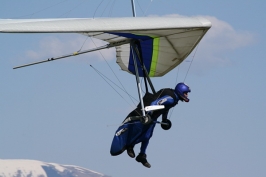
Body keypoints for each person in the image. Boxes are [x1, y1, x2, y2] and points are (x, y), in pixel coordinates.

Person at [110, 82, 191, 168]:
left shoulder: (174, 99)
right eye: (186, 93)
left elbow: (165, 108)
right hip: (145, 113)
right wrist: (148, 114)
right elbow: (154, 103)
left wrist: (164, 119)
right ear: (181, 91)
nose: (187, 95)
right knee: (140, 134)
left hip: (152, 117)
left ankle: (142, 155)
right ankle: (130, 146)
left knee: (147, 136)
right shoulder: (170, 98)